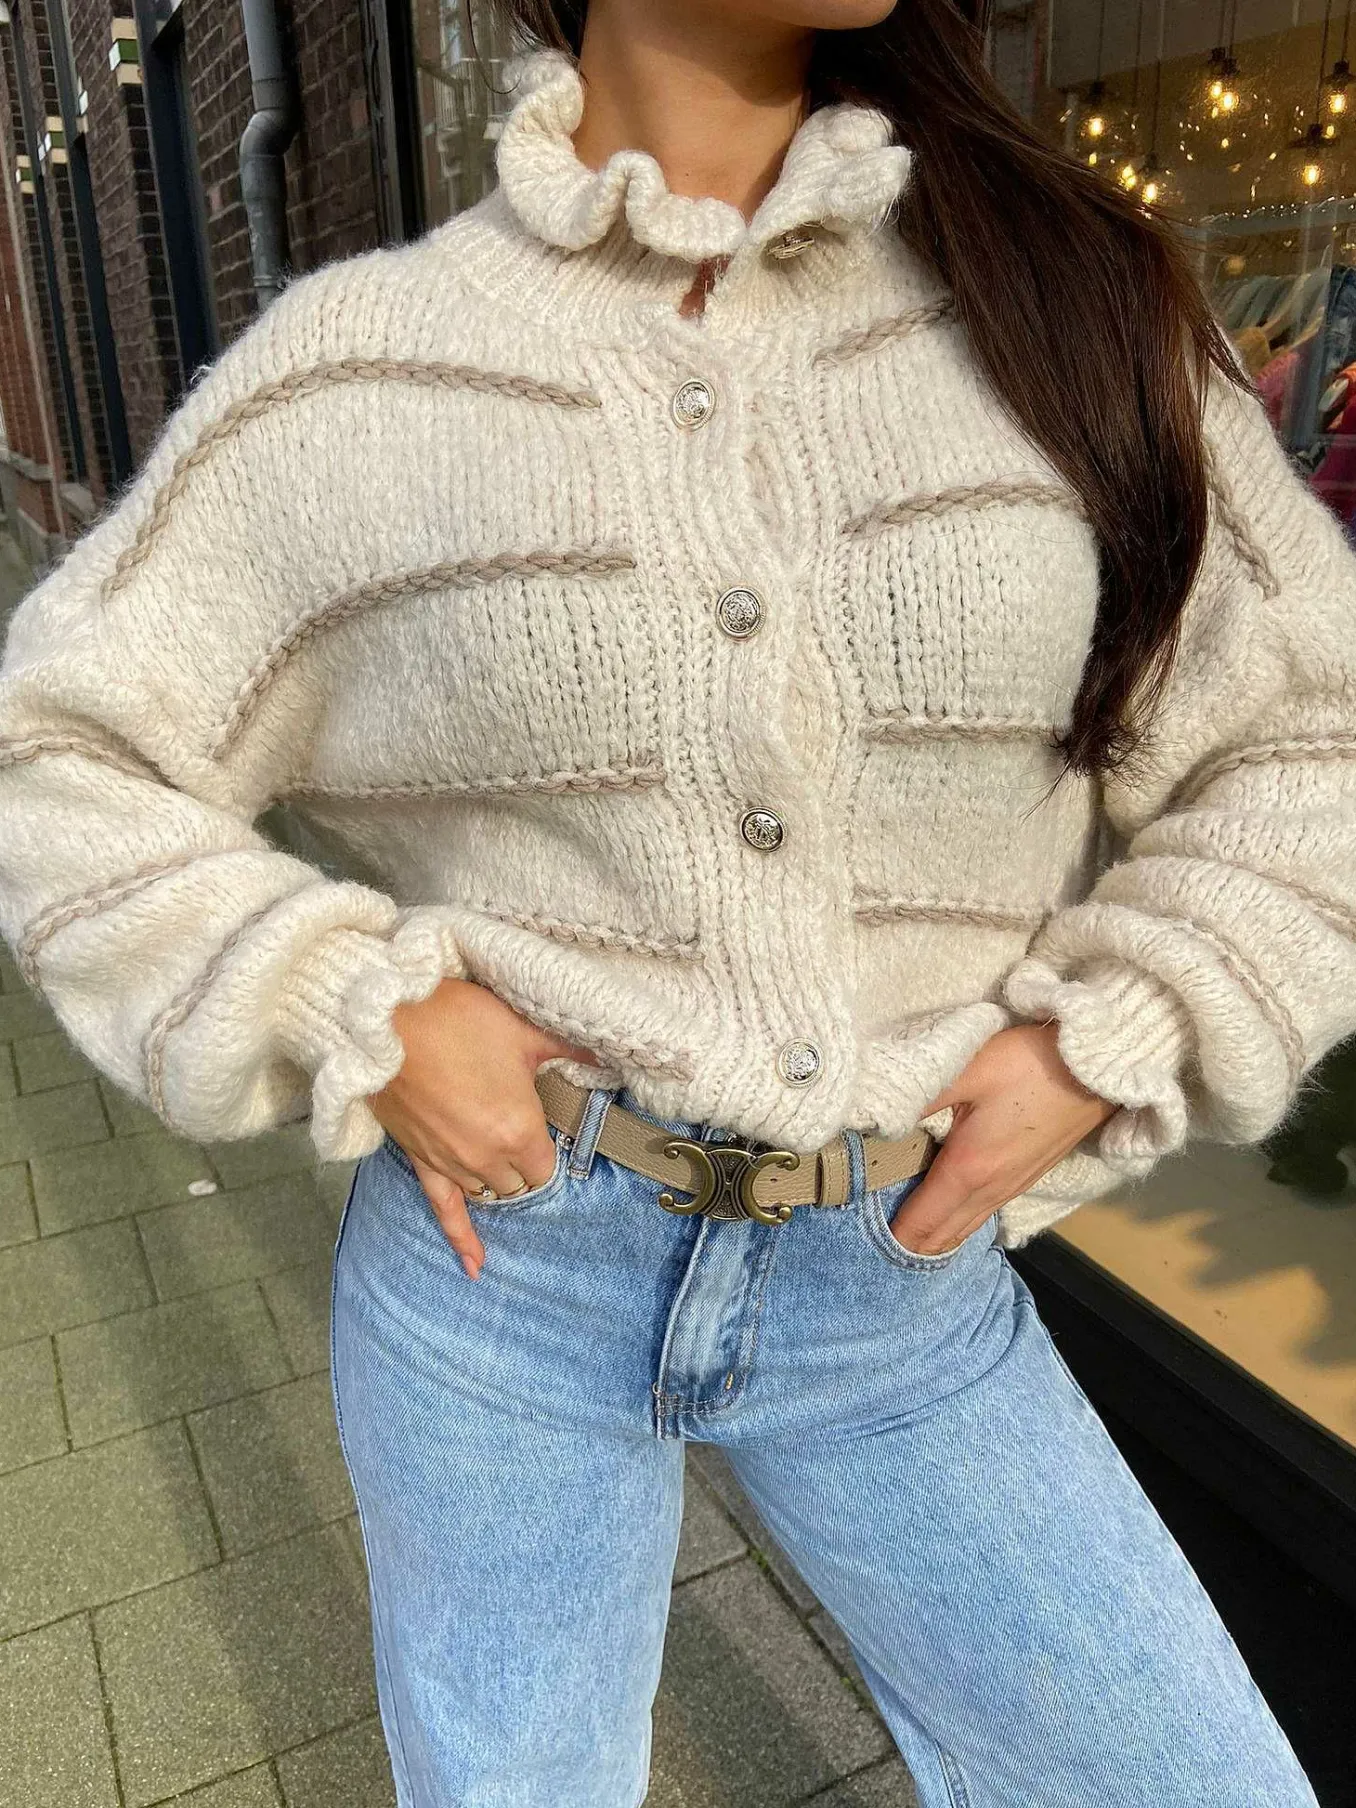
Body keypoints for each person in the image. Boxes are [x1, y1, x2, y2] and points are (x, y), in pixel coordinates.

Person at [0, 1, 1349, 1802]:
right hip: (510, 1269)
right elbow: (59, 750)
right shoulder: (360, 374)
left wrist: (1129, 1028)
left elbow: (1319, 735)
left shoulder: (1070, 309)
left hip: (904, 1278)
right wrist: (346, 999)